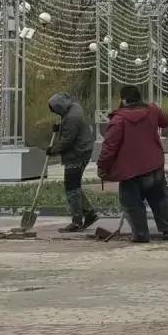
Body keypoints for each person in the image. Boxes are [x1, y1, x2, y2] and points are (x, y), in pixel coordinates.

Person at [97, 85, 168, 242]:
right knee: (159, 199)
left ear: (123, 100)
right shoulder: (152, 110)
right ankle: (167, 230)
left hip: (131, 172)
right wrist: (154, 108)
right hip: (154, 166)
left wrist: (102, 167)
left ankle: (141, 235)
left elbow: (109, 147)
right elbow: (166, 121)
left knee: (132, 204)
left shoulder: (119, 119)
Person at [47, 93, 97, 232]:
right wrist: (60, 127)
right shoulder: (74, 107)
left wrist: (53, 150)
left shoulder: (71, 118)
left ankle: (77, 221)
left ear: (59, 107)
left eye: (56, 111)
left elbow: (67, 141)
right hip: (83, 150)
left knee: (71, 188)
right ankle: (89, 213)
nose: (56, 113)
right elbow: (68, 127)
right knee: (75, 186)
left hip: (77, 154)